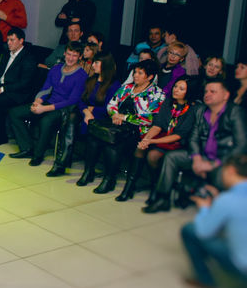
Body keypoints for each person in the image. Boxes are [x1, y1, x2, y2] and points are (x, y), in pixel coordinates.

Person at [145, 79, 247, 213]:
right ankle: (163, 199)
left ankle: (217, 209)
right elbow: (193, 138)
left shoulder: (235, 112)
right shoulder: (201, 111)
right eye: (206, 91)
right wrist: (197, 158)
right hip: (202, 155)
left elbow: (241, 145)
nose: (207, 94)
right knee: (171, 157)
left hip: (223, 159)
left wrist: (213, 164)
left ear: (225, 95)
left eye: (213, 92)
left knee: (223, 174)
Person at [78, 60, 163, 195]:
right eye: (135, 72)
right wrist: (115, 115)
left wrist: (125, 118)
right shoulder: (127, 87)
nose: (135, 75)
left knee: (112, 143)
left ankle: (109, 179)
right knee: (94, 137)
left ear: (150, 76)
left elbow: (150, 118)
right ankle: (88, 172)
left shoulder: (156, 94)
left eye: (140, 73)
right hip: (116, 124)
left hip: (138, 131)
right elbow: (111, 104)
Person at [6, 43, 88, 166]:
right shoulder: (56, 68)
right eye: (69, 54)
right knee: (15, 113)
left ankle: (38, 155)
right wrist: (37, 101)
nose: (70, 58)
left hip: (64, 109)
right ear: (64, 53)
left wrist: (44, 108)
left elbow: (72, 100)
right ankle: (27, 148)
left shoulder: (81, 75)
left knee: (46, 121)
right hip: (48, 103)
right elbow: (46, 88)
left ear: (80, 57)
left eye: (74, 56)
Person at [46, 53, 121, 177]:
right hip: (84, 113)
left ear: (105, 65)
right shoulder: (91, 80)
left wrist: (92, 110)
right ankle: (61, 162)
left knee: (72, 120)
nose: (93, 65)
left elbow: (109, 107)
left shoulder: (114, 84)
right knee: (70, 118)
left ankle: (63, 163)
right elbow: (80, 100)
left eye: (96, 63)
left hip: (101, 116)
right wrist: (86, 112)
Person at [181, 154, 247, 288]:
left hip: (243, 270)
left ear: (231, 170)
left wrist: (204, 208)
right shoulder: (227, 199)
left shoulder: (227, 200)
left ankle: (205, 280)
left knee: (189, 230)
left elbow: (203, 232)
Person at [126, 76, 197, 202]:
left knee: (152, 155)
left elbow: (179, 135)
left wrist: (151, 141)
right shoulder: (168, 102)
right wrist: (146, 140)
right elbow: (157, 125)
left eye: (181, 89)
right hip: (163, 138)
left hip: (178, 143)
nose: (176, 90)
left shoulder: (193, 109)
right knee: (140, 148)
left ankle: (156, 187)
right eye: (175, 86)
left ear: (189, 92)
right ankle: (129, 187)